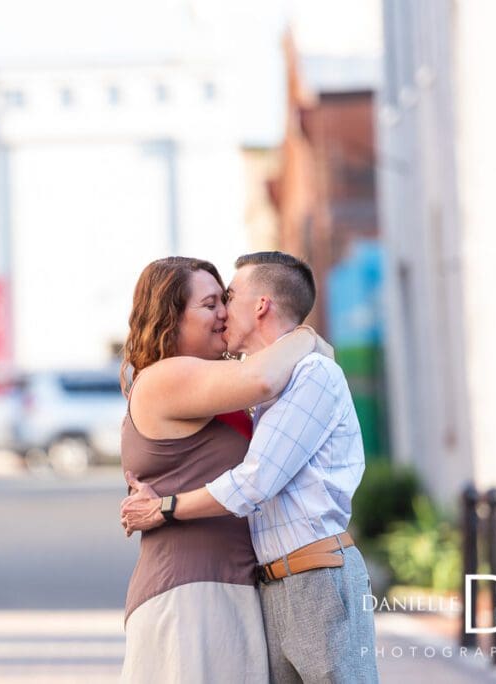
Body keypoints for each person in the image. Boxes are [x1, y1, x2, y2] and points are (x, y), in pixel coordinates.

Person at [122, 251, 379, 684]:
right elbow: (259, 386)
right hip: (194, 589)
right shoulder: (168, 377)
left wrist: (167, 504)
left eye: (226, 299)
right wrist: (304, 337)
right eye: (210, 304)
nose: (223, 313)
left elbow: (257, 471)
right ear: (171, 316)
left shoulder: (242, 381)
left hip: (251, 584)